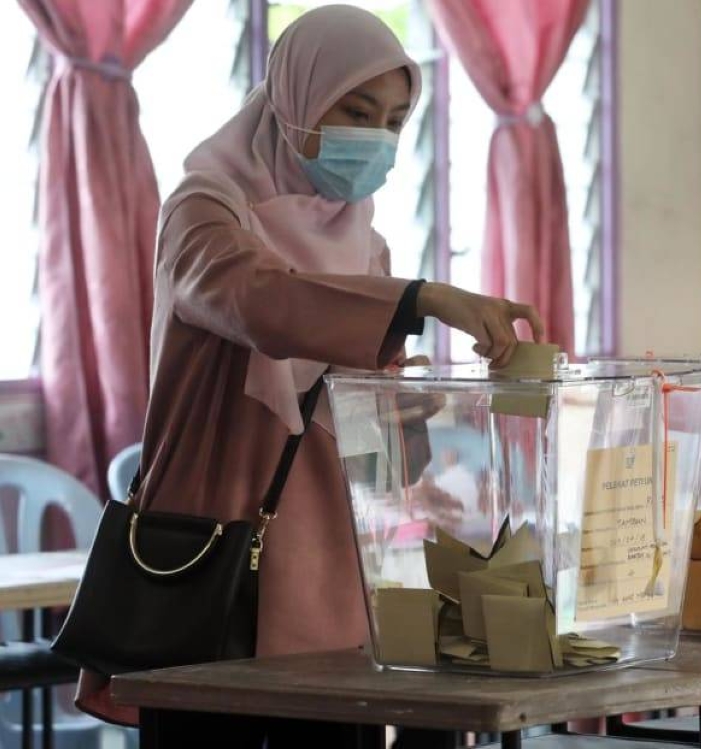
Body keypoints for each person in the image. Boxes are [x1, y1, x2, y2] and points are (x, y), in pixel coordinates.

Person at [74, 5, 543, 746]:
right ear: (294, 96)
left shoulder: (367, 243)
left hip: (329, 564)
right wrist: (422, 298)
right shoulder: (205, 209)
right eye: (356, 111)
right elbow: (258, 300)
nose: (376, 138)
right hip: (215, 556)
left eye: (392, 120)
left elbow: (357, 407)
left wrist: (412, 411)